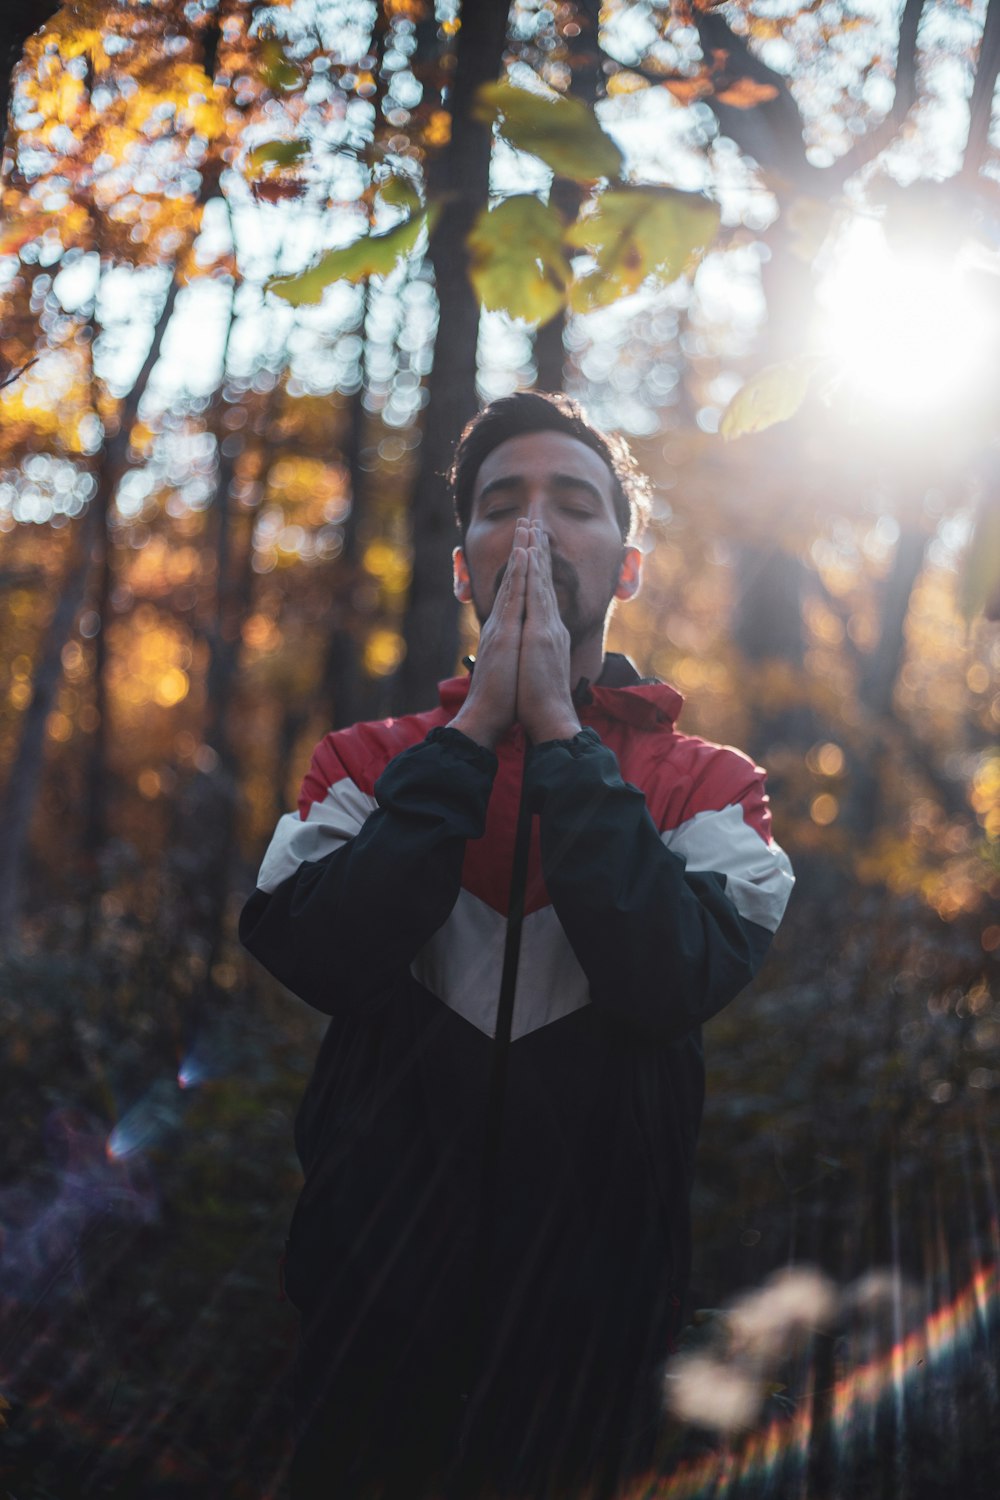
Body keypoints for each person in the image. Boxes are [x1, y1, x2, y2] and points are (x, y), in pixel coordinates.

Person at [239, 392, 794, 1499]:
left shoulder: (713, 786)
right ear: (460, 566)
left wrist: (560, 736)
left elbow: (669, 977)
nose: (535, 533)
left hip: (594, 1342)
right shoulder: (360, 763)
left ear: (627, 566)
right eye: (502, 506)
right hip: (368, 1323)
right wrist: (468, 738)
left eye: (574, 505)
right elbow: (317, 953)